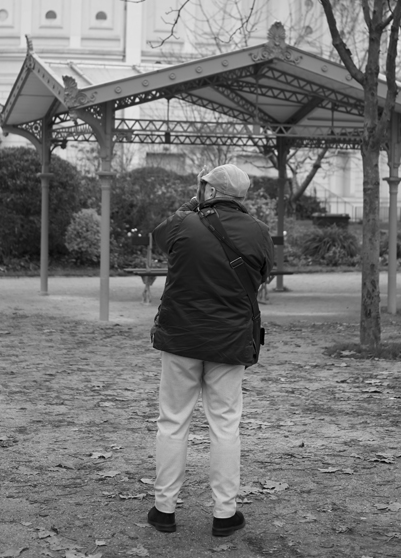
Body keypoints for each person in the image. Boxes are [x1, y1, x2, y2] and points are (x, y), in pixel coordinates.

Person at [147, 163, 274, 537]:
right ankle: (224, 513)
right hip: (230, 340)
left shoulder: (183, 223)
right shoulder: (258, 231)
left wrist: (190, 205)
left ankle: (164, 510)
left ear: (211, 191)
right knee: (225, 426)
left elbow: (159, 238)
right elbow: (263, 275)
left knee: (172, 422)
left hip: (181, 338)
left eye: (203, 186)